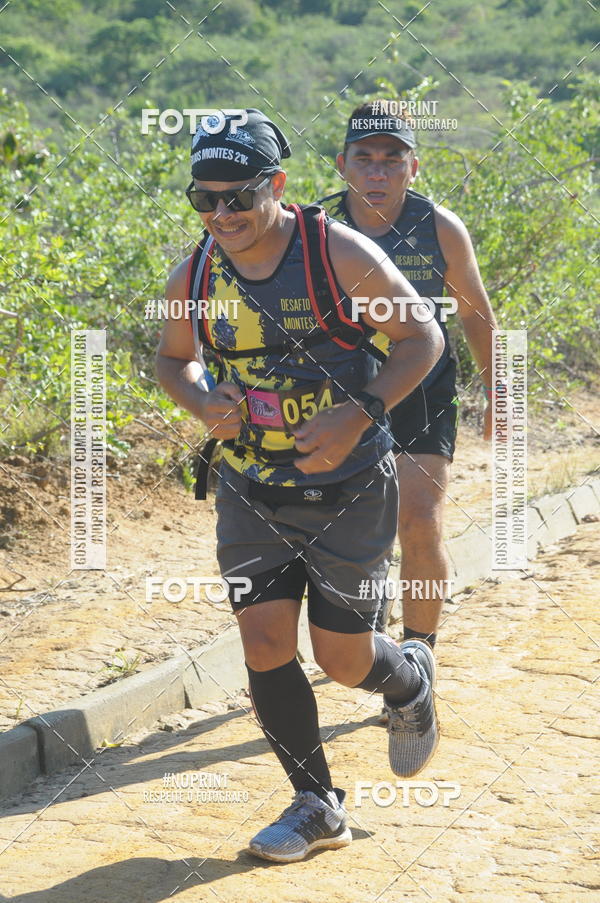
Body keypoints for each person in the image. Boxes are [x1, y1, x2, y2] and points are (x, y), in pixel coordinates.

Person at [156, 109, 444, 863]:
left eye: (237, 198)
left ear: (276, 186)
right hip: (251, 486)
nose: (221, 215)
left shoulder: (335, 254)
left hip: (349, 487)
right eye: (204, 199)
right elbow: (172, 359)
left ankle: (406, 676)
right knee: (263, 640)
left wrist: (361, 410)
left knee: (344, 658)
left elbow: (422, 336)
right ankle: (317, 802)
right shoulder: (196, 271)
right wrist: (199, 400)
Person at [319, 102, 498, 710]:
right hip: (336, 394)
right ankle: (362, 640)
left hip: (423, 388)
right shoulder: (311, 229)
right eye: (364, 158)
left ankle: (418, 659)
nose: (378, 171)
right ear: (343, 165)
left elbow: (474, 311)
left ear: (412, 167)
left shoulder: (439, 227)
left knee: (419, 520)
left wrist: (498, 389)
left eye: (392, 159)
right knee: (347, 531)